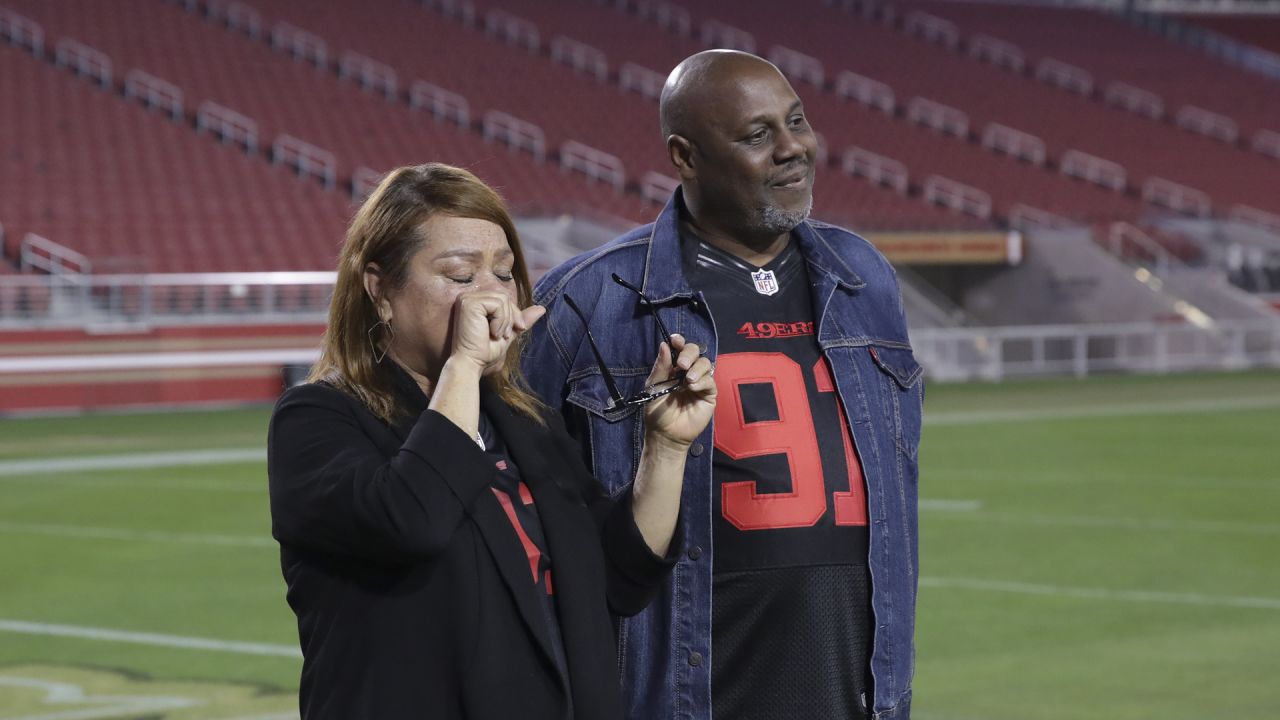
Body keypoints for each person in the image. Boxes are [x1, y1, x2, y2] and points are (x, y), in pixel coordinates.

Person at [522, 51, 923, 720]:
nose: (792, 147)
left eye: (796, 121)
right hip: (672, 697)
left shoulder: (863, 274)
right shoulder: (587, 301)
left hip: (856, 692)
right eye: (758, 134)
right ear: (685, 156)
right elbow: (515, 524)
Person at [267, 163, 716, 720]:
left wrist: (665, 448)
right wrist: (465, 363)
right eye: (460, 275)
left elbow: (619, 580)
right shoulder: (317, 419)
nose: (492, 296)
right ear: (379, 288)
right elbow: (413, 518)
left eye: (504, 273)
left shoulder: (522, 420)